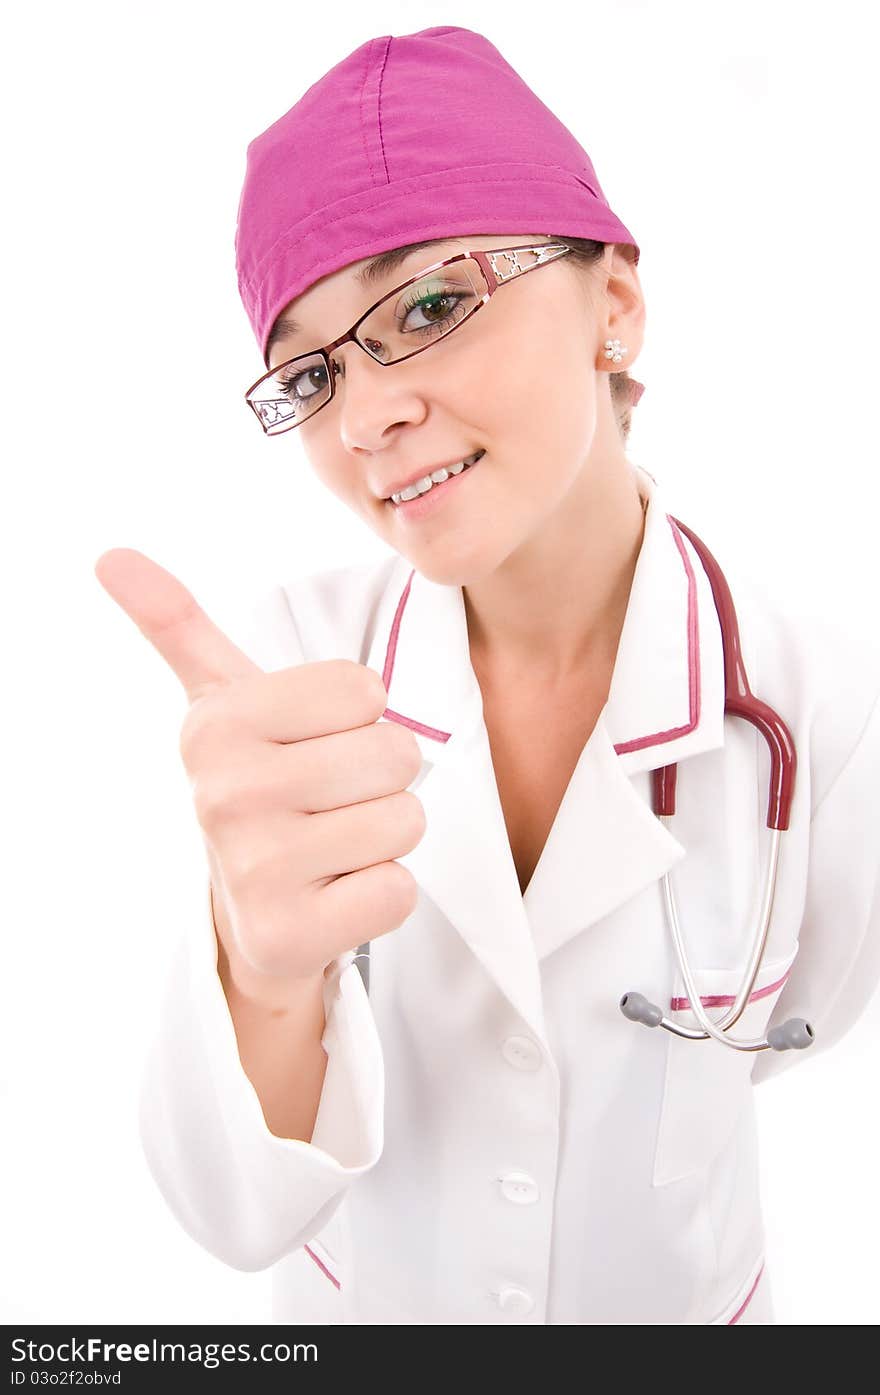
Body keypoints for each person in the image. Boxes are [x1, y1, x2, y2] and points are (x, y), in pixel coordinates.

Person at [94, 27, 880, 1325]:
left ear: (613, 308)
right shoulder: (286, 679)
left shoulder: (823, 711)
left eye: (428, 307)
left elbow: (803, 1028)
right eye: (313, 372)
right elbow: (237, 1214)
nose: (365, 419)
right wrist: (264, 968)